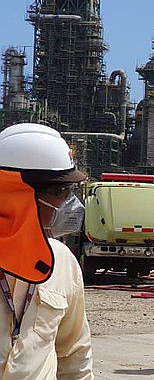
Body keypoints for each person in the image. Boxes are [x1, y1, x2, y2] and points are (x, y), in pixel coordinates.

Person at [0, 123, 93, 379]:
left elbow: (75, 354)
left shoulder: (63, 262)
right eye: (59, 191)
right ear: (16, 192)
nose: (68, 203)